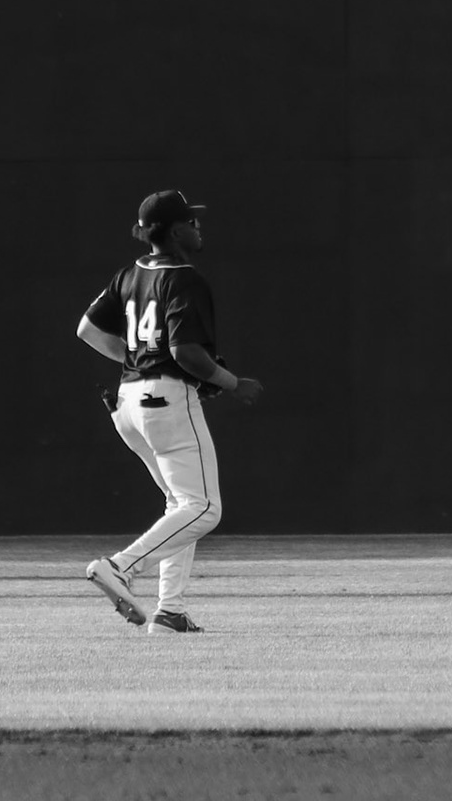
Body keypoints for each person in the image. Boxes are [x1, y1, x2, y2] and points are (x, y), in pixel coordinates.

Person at [75, 189, 263, 635]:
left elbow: (86, 329)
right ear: (175, 230)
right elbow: (185, 351)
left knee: (180, 505)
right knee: (205, 508)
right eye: (191, 222)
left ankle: (170, 612)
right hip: (165, 400)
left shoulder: (129, 274)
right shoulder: (184, 278)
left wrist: (136, 361)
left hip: (129, 404)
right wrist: (233, 384)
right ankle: (119, 566)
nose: (198, 228)